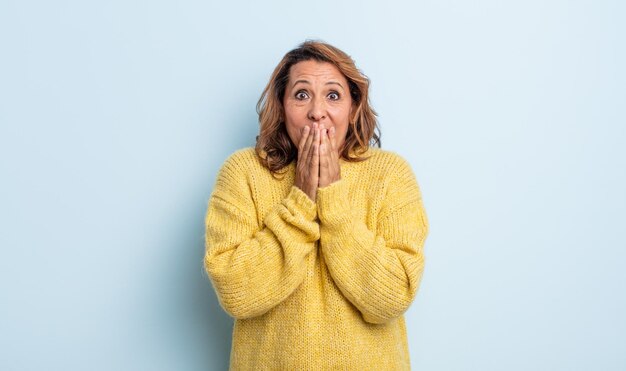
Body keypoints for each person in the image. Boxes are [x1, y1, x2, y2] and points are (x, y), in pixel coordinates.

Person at [204, 40, 429, 370]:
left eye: (333, 95)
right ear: (281, 107)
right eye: (301, 94)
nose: (317, 111)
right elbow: (237, 291)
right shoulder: (242, 174)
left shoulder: (391, 175)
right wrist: (302, 200)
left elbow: (392, 296)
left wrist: (333, 199)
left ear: (353, 108)